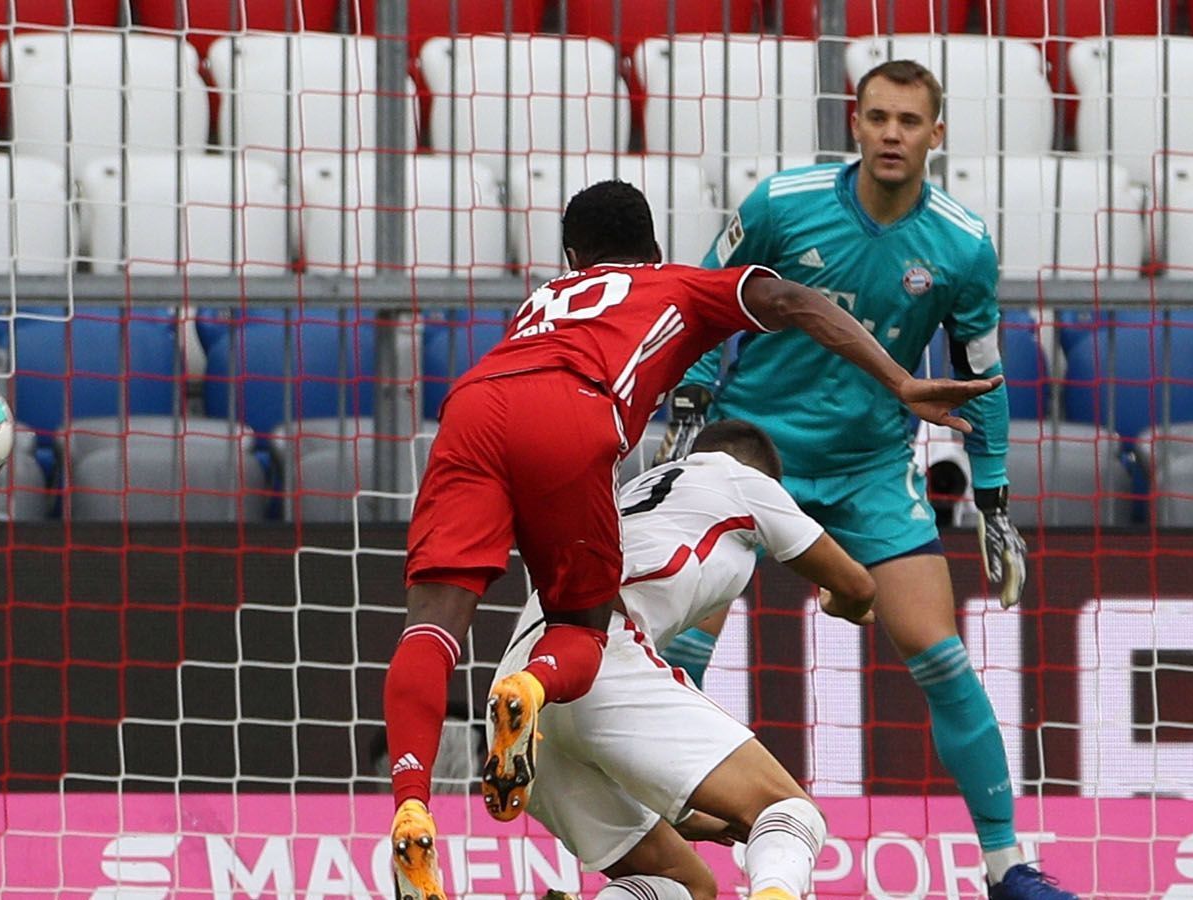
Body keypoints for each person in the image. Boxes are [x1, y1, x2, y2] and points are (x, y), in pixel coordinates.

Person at [386, 179, 1002, 900]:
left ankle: (411, 801)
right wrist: (901, 382)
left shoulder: (541, 305)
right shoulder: (677, 293)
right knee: (772, 799)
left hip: (474, 402)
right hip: (574, 432)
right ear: (653, 249)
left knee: (433, 626)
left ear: (570, 254)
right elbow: (797, 300)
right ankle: (536, 687)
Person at [660, 59, 1073, 899]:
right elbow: (704, 300)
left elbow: (978, 378)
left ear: (936, 134)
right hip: (752, 456)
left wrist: (992, 499)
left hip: (871, 469)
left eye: (909, 121)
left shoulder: (961, 246)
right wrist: (692, 405)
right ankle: (648, 848)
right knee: (681, 654)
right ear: (855, 123)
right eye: (878, 117)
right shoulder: (781, 202)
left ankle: (1006, 868)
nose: (892, 134)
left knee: (942, 657)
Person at [494, 419, 877, 900]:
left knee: (685, 885)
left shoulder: (637, 492)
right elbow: (858, 585)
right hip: (600, 649)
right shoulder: (740, 479)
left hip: (525, 682)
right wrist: (844, 604)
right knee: (792, 812)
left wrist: (688, 811)